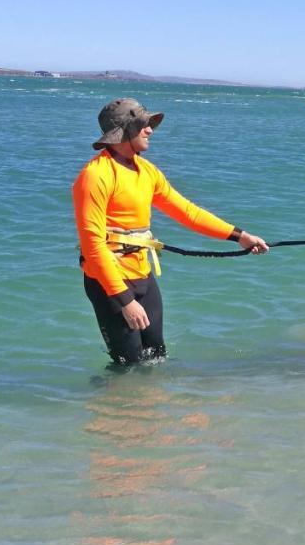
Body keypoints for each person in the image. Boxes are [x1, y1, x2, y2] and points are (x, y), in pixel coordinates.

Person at [73, 98, 269, 365]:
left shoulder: (147, 171)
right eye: (142, 125)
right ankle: (114, 406)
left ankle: (154, 405)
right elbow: (93, 246)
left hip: (142, 274)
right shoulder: (95, 176)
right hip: (109, 282)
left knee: (156, 357)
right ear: (123, 131)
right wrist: (125, 301)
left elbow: (187, 212)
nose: (150, 130)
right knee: (127, 365)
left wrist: (239, 235)